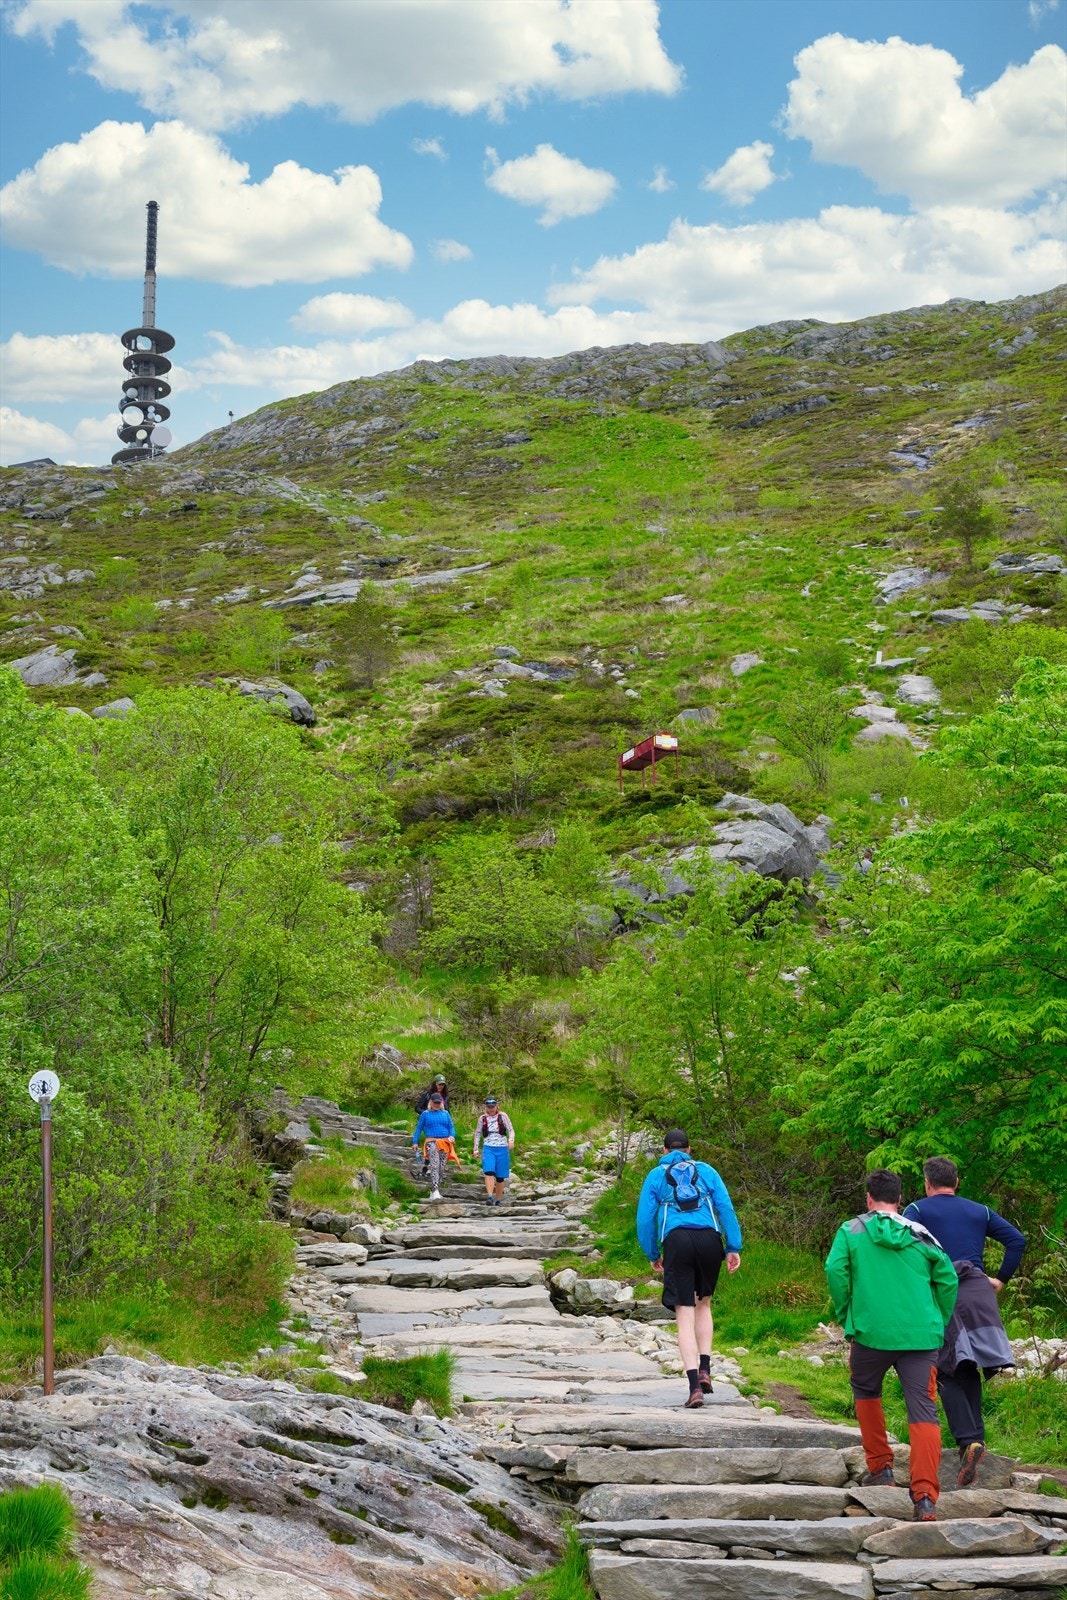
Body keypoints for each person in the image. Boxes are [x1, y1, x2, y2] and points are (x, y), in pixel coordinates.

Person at [825, 1168, 959, 1522]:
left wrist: (847, 1314)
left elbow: (835, 1271)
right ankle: (925, 1497)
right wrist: (937, 1319)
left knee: (866, 1390)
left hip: (870, 1332)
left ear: (869, 1198)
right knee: (923, 1408)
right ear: (900, 1199)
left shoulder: (851, 1230)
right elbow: (948, 1279)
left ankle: (881, 1468)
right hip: (921, 1335)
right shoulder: (921, 1233)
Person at [903, 1157, 1023, 1486]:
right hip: (979, 1294)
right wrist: (1000, 1279)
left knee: (945, 1367)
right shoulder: (980, 1210)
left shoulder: (917, 1210)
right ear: (956, 1182)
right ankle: (976, 1444)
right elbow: (1017, 1240)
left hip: (943, 1291)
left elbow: (903, 1250)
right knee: (967, 1365)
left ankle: (968, 1440)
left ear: (928, 1183)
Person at [635, 1130, 742, 1409]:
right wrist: (733, 1246)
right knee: (703, 1304)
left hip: (677, 1241)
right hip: (709, 1240)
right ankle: (706, 1368)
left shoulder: (656, 1176)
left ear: (664, 1151)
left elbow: (645, 1219)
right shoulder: (706, 1171)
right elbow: (725, 1208)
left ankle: (694, 1387)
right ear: (689, 1149)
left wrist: (652, 1253)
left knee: (684, 1313)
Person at [411, 1091, 456, 1201]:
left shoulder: (445, 1113)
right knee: (435, 1165)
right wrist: (415, 1142)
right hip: (431, 1142)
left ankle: (434, 1189)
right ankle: (435, 1190)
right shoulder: (425, 1114)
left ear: (441, 1103)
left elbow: (451, 1127)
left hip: (445, 1143)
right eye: (435, 1102)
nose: (436, 1104)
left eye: (438, 1102)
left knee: (441, 1167)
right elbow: (419, 1128)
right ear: (431, 1102)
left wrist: (452, 1136)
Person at [473, 1096, 514, 1206]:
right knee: (489, 1171)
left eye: (493, 1106)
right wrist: (475, 1149)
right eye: (489, 1107)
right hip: (488, 1146)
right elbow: (477, 1134)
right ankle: (490, 1196)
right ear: (486, 1107)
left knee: (500, 1177)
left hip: (502, 1147)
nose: (491, 1109)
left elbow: (511, 1130)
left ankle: (498, 1199)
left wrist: (511, 1141)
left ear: (496, 1106)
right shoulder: (482, 1118)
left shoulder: (503, 1116)